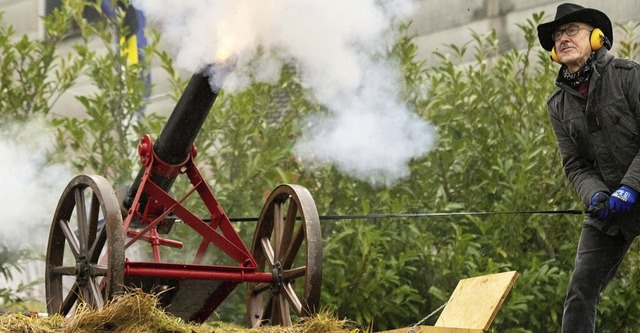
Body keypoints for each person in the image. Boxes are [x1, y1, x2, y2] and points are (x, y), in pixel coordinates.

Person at [537, 3, 640, 332]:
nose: (562, 39)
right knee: (580, 292)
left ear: (597, 38)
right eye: (556, 36)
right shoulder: (557, 105)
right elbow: (575, 164)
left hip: (631, 189)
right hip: (608, 210)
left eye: (571, 31)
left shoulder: (629, 75)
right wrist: (595, 195)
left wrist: (631, 186)